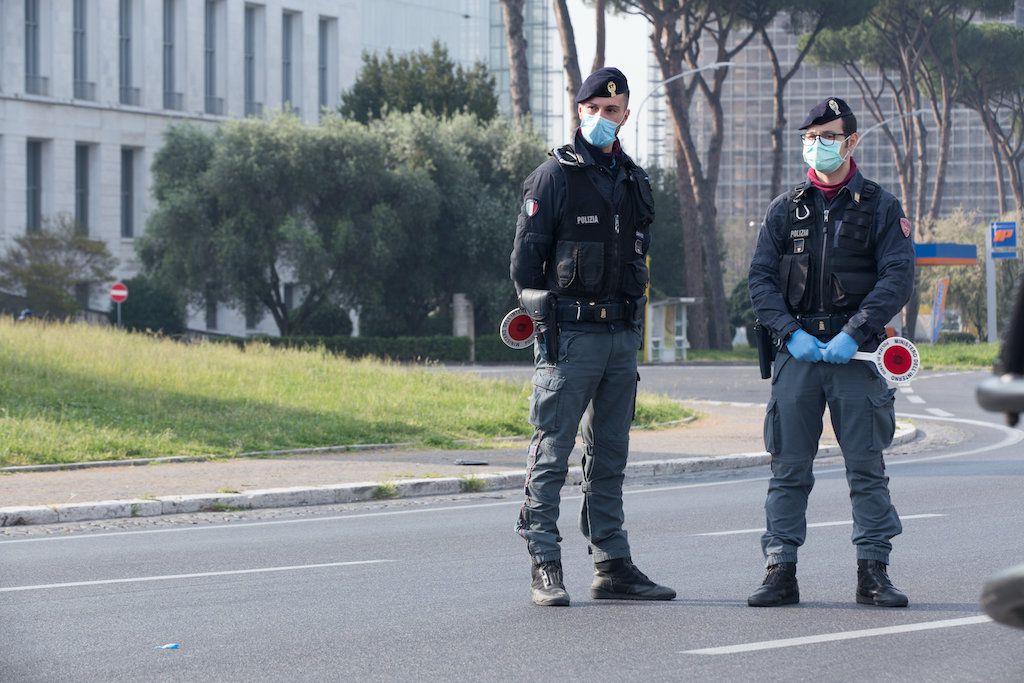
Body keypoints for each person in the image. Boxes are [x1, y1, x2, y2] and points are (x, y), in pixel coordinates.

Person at [508, 67, 674, 607]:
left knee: (611, 455)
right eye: (595, 109)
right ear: (579, 112)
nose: (604, 117)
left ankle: (612, 563)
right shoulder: (553, 178)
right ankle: (545, 564)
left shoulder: (634, 180)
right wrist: (546, 324)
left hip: (620, 335)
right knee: (552, 452)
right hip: (570, 336)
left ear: (626, 114)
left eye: (614, 109)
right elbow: (525, 270)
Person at [747, 97, 916, 608]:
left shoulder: (882, 207)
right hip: (798, 354)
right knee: (788, 468)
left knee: (866, 469)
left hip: (855, 356)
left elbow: (897, 277)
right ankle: (780, 570)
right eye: (811, 136)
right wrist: (788, 333)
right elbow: (759, 279)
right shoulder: (785, 208)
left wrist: (857, 331)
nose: (818, 144)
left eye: (828, 135)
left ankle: (873, 572)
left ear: (851, 141)